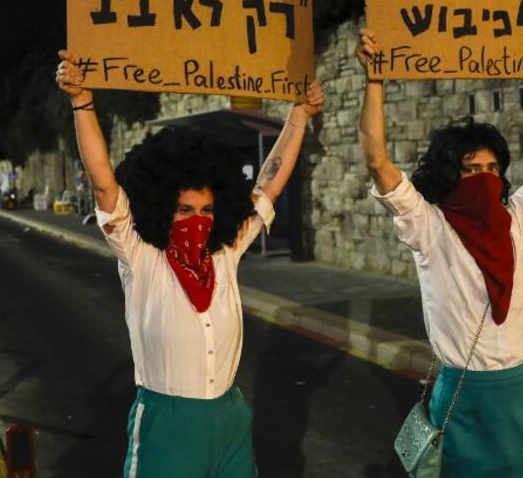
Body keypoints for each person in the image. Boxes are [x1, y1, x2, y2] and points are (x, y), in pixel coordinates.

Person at [356, 28, 523, 477]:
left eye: (492, 169)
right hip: (460, 394)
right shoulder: (430, 226)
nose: (483, 177)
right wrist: (374, 81)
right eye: (471, 169)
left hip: (512, 391)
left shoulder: (515, 222)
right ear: (450, 175)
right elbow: (378, 161)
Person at [56, 49, 324, 477]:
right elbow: (105, 184)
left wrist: (300, 115)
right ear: (162, 208)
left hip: (231, 421)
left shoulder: (225, 251)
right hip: (167, 428)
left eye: (206, 210)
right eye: (184, 210)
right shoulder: (141, 258)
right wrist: (82, 102)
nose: (196, 221)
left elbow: (269, 184)